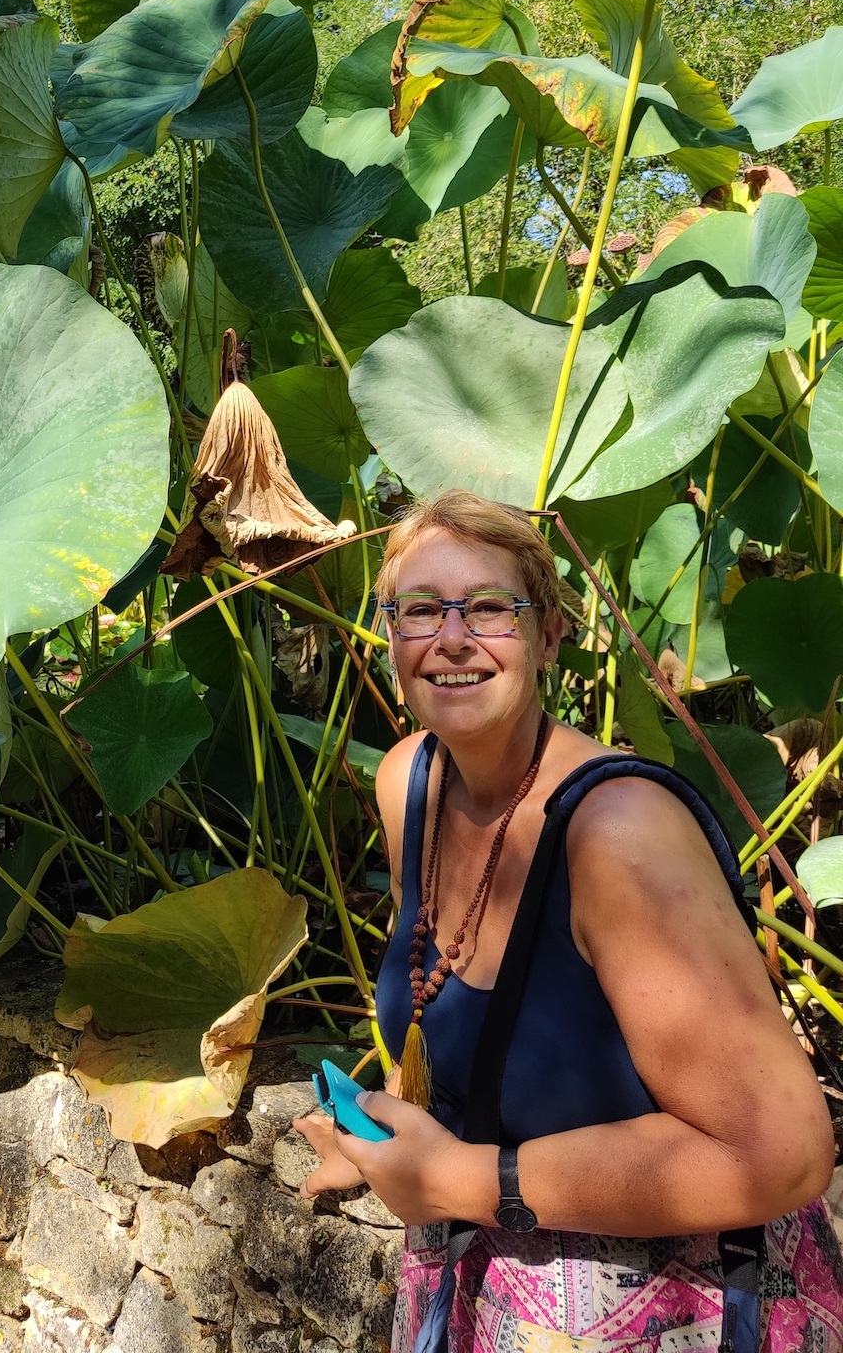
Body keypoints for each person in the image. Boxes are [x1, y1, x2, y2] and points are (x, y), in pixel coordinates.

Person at [294, 489, 843, 1353]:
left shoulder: (618, 834)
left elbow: (781, 1154)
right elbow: (455, 1034)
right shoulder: (408, 784)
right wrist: (380, 1145)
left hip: (674, 1311)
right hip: (480, 1289)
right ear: (390, 635)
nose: (452, 639)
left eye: (489, 609)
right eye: (420, 610)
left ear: (550, 635)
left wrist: (460, 1178)